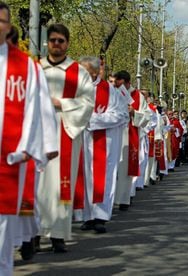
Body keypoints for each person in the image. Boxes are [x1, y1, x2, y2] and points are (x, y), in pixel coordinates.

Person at [0, 2, 55, 273]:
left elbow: (39, 110)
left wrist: (35, 148)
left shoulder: (26, 68)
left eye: (2, 21)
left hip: (10, 157)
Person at [37, 23, 95, 253]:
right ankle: (31, 234)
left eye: (61, 41)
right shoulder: (35, 68)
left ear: (67, 43)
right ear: (47, 42)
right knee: (36, 186)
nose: (57, 44)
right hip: (37, 132)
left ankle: (58, 235)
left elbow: (88, 103)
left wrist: (61, 103)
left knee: (61, 185)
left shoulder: (78, 72)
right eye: (53, 40)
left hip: (65, 130)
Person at [78, 56, 128, 233]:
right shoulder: (75, 88)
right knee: (84, 178)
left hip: (104, 141)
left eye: (85, 69)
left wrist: (92, 120)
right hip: (80, 140)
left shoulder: (109, 91)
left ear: (93, 71)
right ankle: (87, 216)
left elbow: (121, 115)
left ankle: (100, 216)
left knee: (103, 178)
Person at [113, 70, 151, 211]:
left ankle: (124, 198)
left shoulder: (138, 96)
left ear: (128, 83)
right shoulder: (113, 92)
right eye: (117, 84)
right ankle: (108, 200)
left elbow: (147, 116)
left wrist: (133, 112)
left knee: (125, 168)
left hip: (129, 134)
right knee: (112, 168)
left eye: (122, 84)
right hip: (113, 131)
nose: (120, 87)